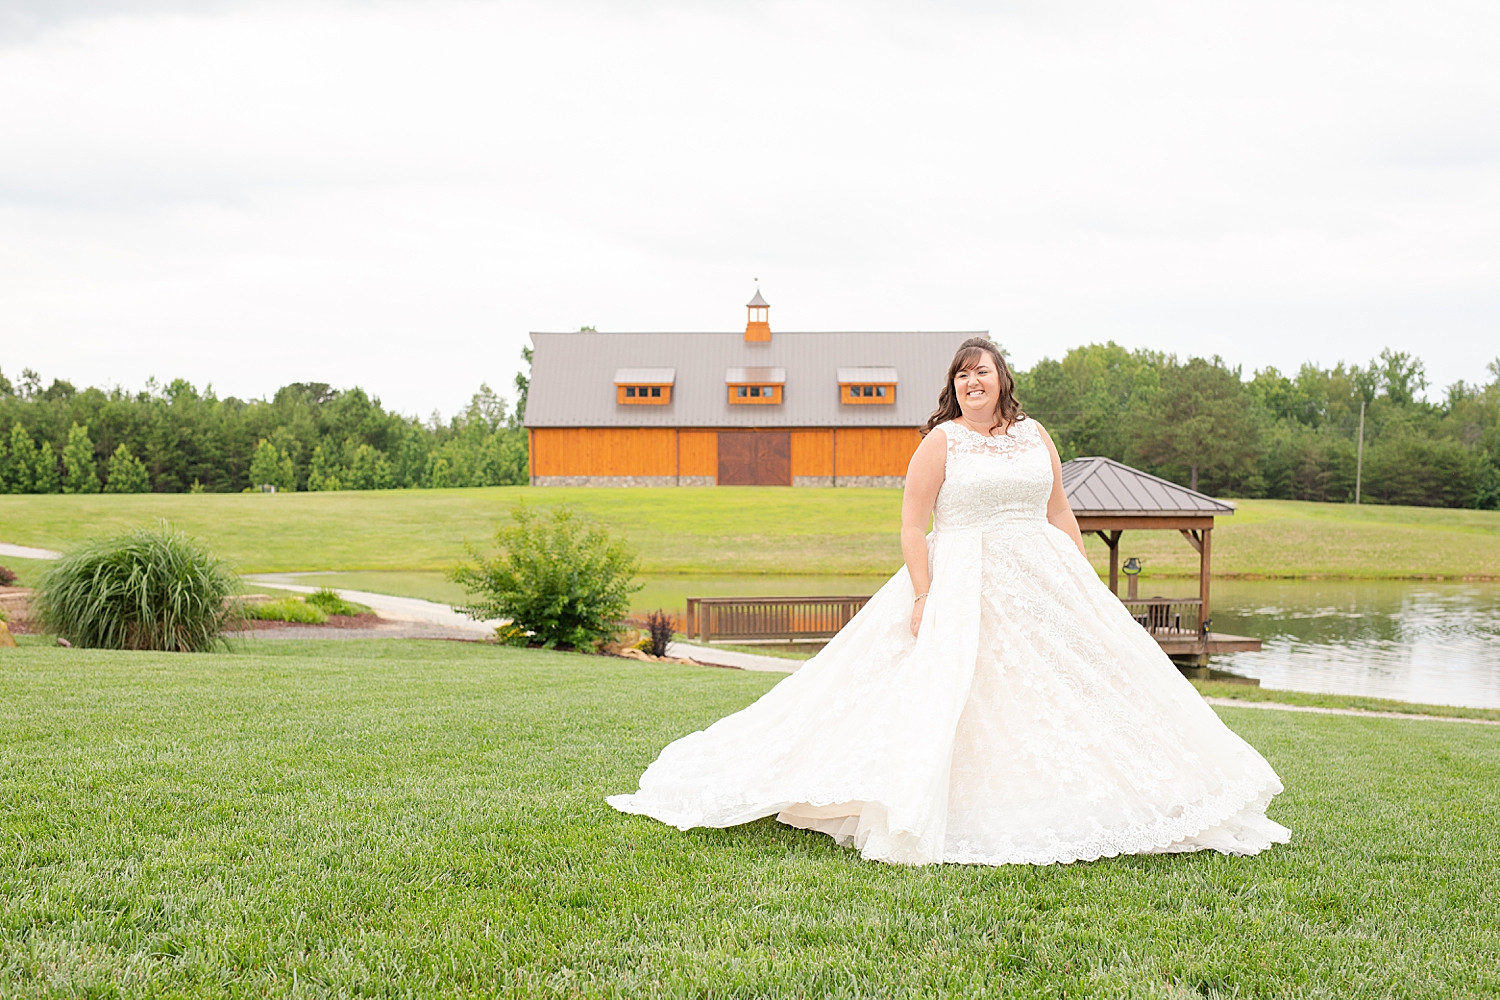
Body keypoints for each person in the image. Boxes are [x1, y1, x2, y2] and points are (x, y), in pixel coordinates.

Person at [609, 338, 1290, 866]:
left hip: (1042, 579)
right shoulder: (940, 442)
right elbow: (913, 523)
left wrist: (1084, 581)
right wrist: (925, 593)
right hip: (961, 575)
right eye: (961, 375)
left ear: (1002, 380)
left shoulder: (1035, 435)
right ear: (953, 387)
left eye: (982, 372)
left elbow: (1059, 509)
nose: (971, 382)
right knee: (956, 692)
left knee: (1058, 693)